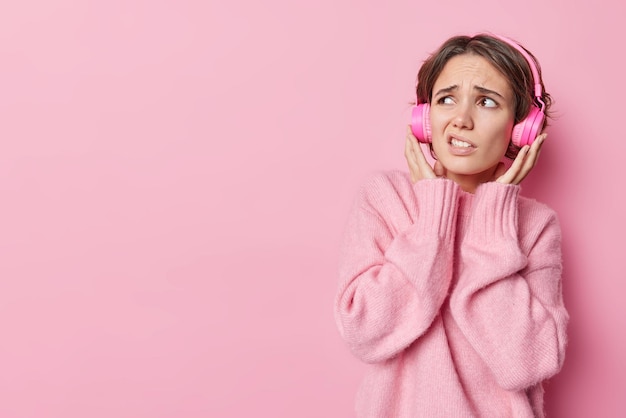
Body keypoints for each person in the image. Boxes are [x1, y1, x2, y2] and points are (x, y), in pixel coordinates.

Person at [334, 33, 569, 417]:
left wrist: (493, 215)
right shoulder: (384, 198)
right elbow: (365, 333)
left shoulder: (536, 226)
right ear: (425, 118)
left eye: (486, 102)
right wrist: (433, 217)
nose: (461, 119)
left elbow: (528, 361)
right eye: (446, 99)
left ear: (521, 126)